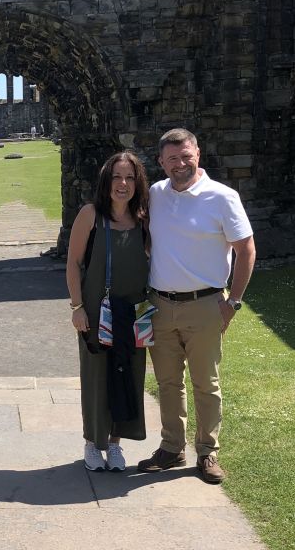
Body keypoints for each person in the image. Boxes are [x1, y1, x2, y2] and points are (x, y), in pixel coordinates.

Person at [137, 128, 256, 484]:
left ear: (198, 154)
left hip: (205, 305)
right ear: (161, 162)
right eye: (172, 158)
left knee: (206, 383)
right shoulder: (155, 194)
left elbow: (246, 250)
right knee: (168, 382)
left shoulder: (222, 197)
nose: (180, 164)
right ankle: (172, 448)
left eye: (186, 156)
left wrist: (233, 302)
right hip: (160, 304)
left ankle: (207, 452)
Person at [66, 151, 150, 472]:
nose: (123, 184)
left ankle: (115, 443)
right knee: (97, 376)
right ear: (106, 180)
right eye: (117, 177)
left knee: (129, 375)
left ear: (137, 183)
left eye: (129, 177)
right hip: (96, 310)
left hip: (133, 312)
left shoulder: (143, 219)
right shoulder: (91, 215)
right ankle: (92, 442)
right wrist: (77, 307)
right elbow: (73, 264)